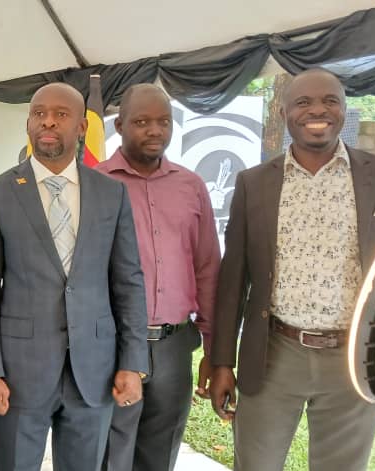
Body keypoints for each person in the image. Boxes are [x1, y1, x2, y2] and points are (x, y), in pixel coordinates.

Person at [208, 68, 375, 471]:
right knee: (255, 464)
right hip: (274, 354)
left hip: (356, 358)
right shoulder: (253, 184)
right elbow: (234, 280)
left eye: (330, 101)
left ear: (344, 110)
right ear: (284, 112)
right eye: (303, 102)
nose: (317, 110)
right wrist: (221, 362)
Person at [0, 82, 149, 471]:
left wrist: (133, 361)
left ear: (82, 126)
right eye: (39, 113)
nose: (48, 121)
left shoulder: (111, 194)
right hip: (19, 375)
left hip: (95, 372)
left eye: (61, 114)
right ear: (28, 124)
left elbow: (128, 283)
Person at [95, 84, 220, 471]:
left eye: (164, 121)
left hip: (173, 347)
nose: (154, 130)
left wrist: (214, 349)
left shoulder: (191, 186)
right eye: (142, 122)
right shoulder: (95, 184)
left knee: (160, 455)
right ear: (120, 126)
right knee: (108, 455)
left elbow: (207, 267)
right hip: (112, 346)